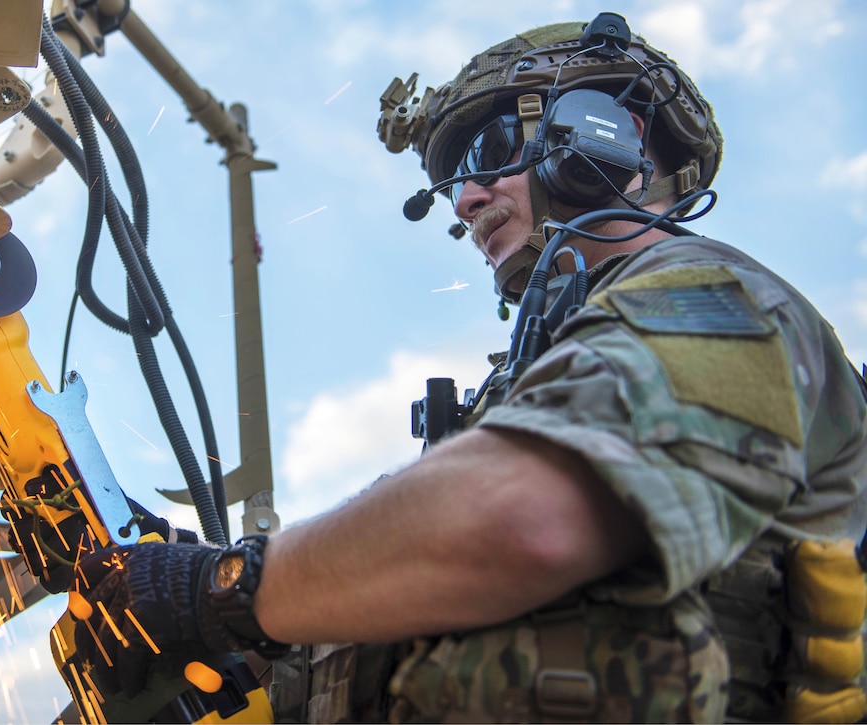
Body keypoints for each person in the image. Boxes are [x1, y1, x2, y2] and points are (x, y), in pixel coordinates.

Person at [69, 12, 867, 723]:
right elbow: (405, 626)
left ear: (602, 134)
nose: (463, 199)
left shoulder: (719, 300)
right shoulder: (528, 396)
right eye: (452, 178)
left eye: (486, 153)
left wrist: (230, 589)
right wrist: (216, 624)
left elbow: (525, 520)